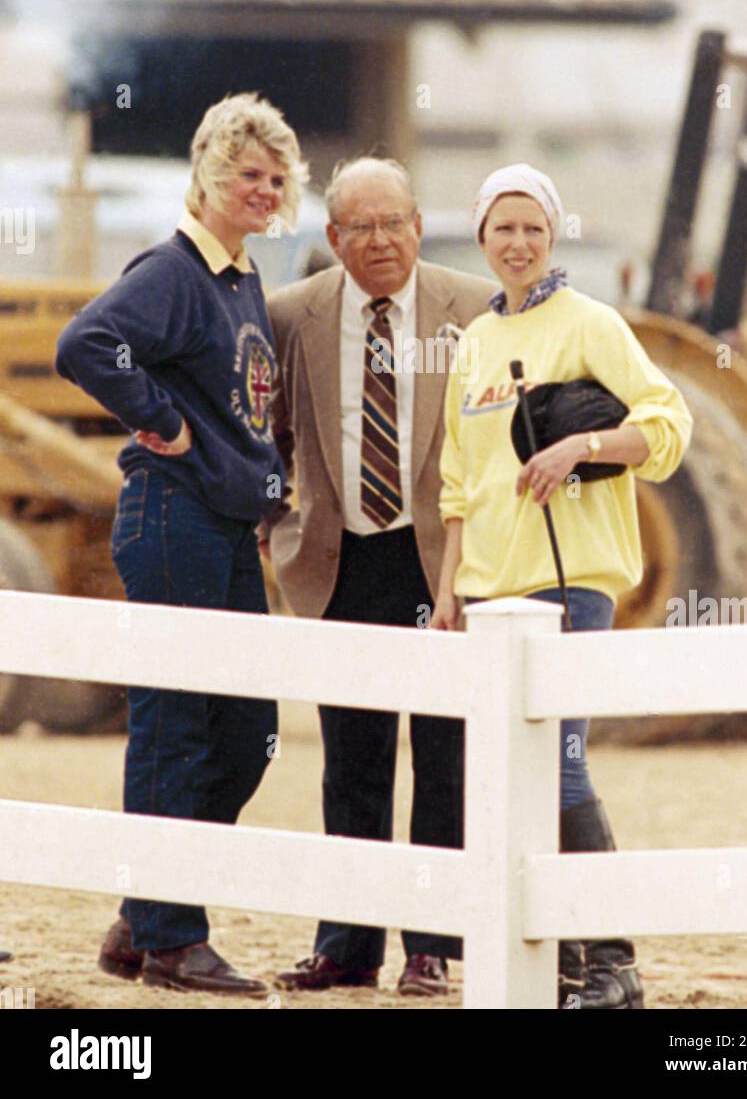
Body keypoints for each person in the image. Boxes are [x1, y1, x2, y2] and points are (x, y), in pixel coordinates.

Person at [55, 93, 307, 996]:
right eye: (248, 174)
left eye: (278, 180)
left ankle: (143, 914)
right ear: (207, 172)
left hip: (226, 527)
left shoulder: (240, 279)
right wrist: (161, 424)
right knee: (175, 722)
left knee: (248, 734)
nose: (265, 191)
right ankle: (170, 939)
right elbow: (87, 342)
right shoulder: (173, 270)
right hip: (173, 517)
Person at [432, 163, 693, 1011]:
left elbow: (667, 424)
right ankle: (563, 963)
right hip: (488, 597)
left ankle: (614, 964)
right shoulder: (472, 343)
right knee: (512, 778)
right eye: (503, 228)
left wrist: (580, 449)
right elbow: (458, 485)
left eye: (533, 229)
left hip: (572, 584)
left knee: (563, 770)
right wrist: (448, 589)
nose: (517, 244)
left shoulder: (593, 324)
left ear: (553, 238)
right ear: (482, 238)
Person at [263, 156, 492, 997]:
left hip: (443, 561)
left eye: (394, 221)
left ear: (419, 225)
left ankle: (430, 946)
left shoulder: (472, 307)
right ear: (333, 237)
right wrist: (274, 527)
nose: (381, 239)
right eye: (360, 226)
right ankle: (346, 945)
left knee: (445, 756)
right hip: (342, 560)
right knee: (351, 759)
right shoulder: (292, 315)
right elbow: (267, 435)